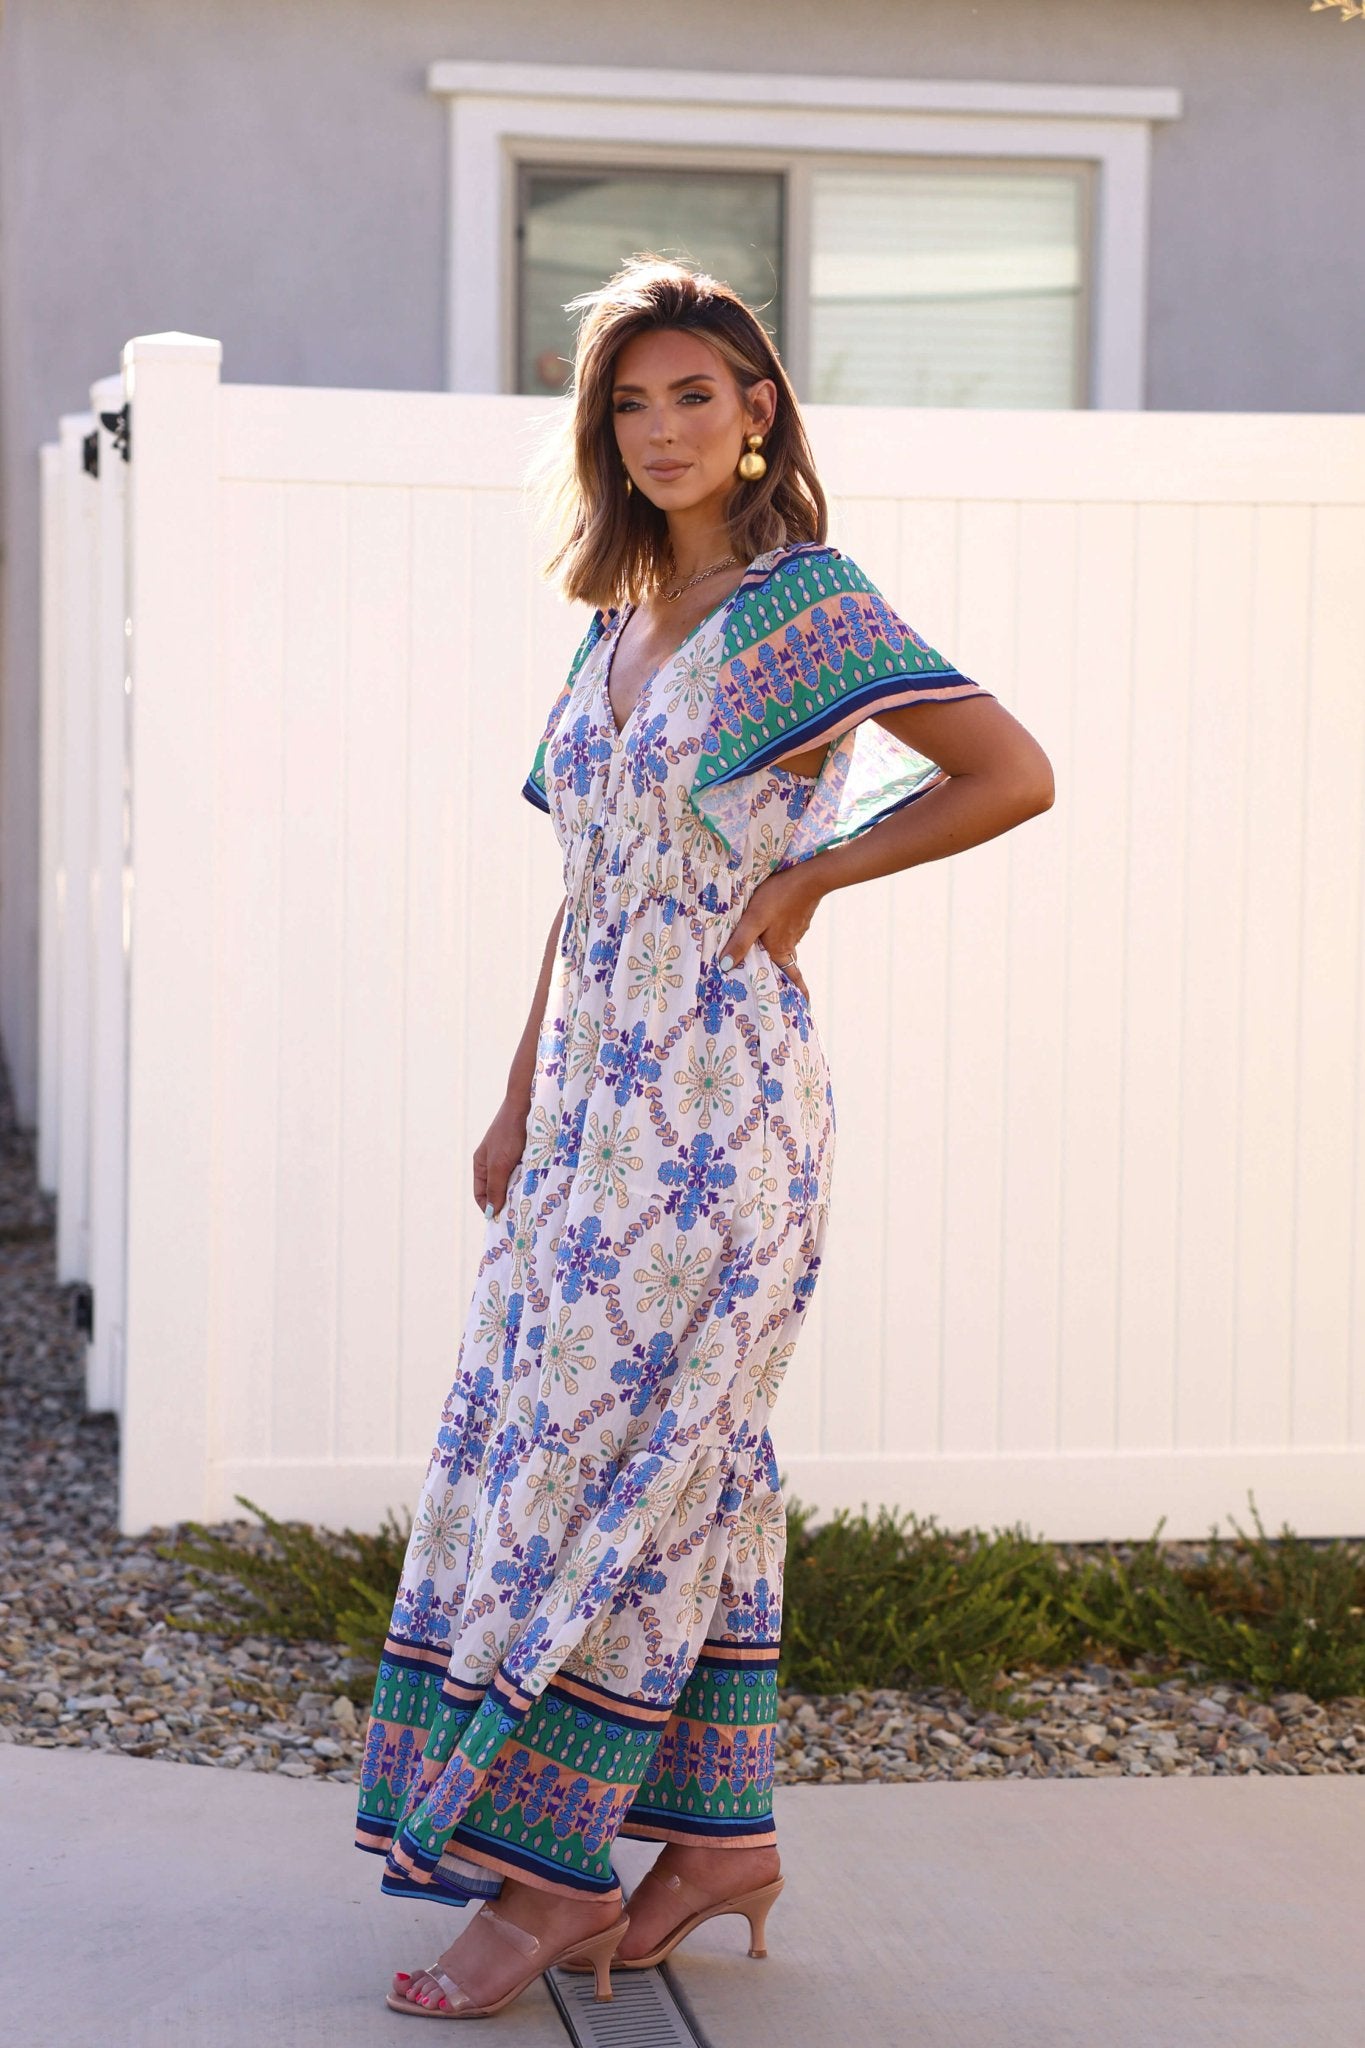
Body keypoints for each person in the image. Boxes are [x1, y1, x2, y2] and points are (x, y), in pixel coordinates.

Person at [357, 256, 1055, 2021]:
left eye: (694, 395)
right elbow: (579, 891)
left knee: (618, 1471)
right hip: (587, 1113)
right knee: (670, 1462)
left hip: (715, 1115)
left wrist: (820, 872)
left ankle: (538, 1885)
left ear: (758, 415)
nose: (660, 428)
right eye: (628, 401)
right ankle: (716, 1846)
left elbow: (1007, 771)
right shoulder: (612, 626)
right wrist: (519, 1093)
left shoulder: (797, 603)